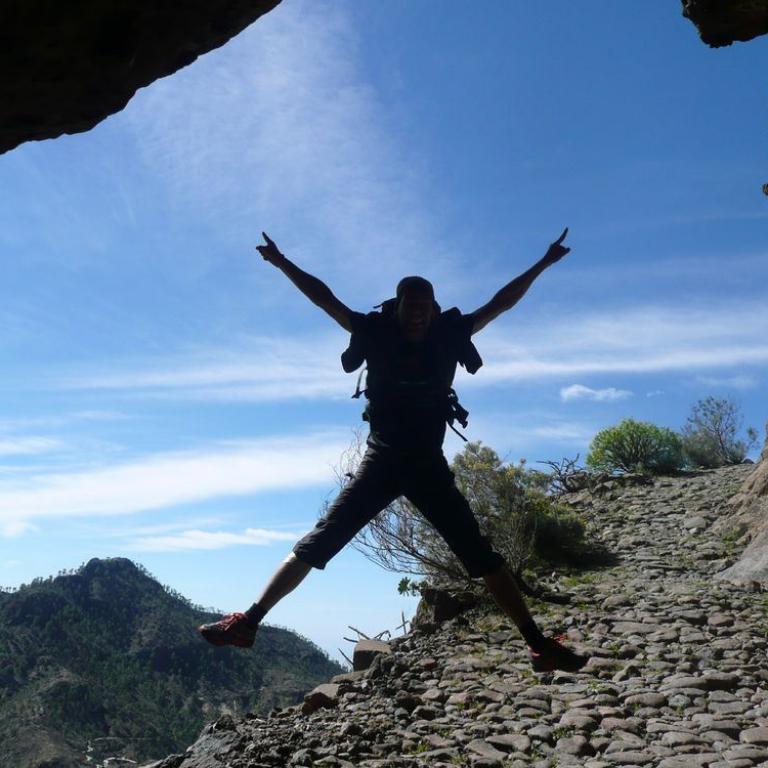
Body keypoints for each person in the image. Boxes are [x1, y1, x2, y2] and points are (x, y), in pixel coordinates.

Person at [198, 230, 588, 673]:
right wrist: (281, 262)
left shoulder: (450, 332)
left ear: (434, 309)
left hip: (427, 468)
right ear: (397, 306)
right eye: (410, 306)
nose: (418, 314)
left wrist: (543, 263)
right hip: (381, 463)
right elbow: (325, 299)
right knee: (318, 541)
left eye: (425, 307)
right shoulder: (373, 331)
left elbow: (501, 302)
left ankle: (538, 645)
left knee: (481, 556)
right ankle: (247, 623)